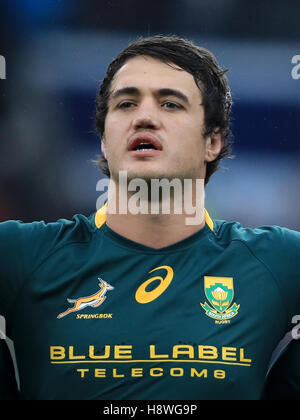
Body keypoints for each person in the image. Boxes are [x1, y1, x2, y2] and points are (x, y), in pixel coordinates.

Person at [0, 35, 299, 400]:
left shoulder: (280, 262)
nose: (144, 117)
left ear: (213, 142)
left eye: (171, 104)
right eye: (126, 103)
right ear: (104, 142)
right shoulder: (19, 254)